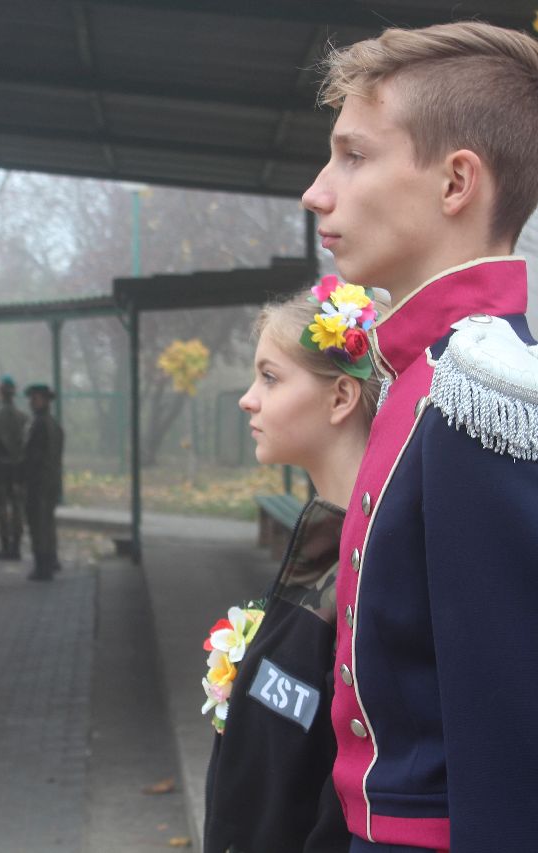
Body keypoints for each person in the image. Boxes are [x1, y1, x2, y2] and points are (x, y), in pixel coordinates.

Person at [301, 22, 538, 851]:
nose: (317, 192)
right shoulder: (423, 377)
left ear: (456, 183)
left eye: (354, 156)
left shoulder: (482, 394)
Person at [205, 288, 385, 853]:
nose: (247, 400)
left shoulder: (373, 573)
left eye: (270, 378)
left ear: (341, 397)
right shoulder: (326, 549)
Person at [0, 375, 28, 560]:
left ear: (0, 392)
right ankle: (16, 546)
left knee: (1, 507)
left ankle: (5, 544)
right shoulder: (24, 417)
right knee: (17, 507)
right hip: (18, 467)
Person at [21, 383, 63, 581]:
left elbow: (32, 456)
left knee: (38, 524)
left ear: (45, 400)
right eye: (31, 398)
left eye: (35, 398)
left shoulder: (38, 424)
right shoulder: (54, 424)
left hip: (38, 482)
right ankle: (51, 560)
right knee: (47, 522)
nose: (32, 402)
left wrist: (23, 476)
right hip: (51, 479)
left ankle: (42, 566)